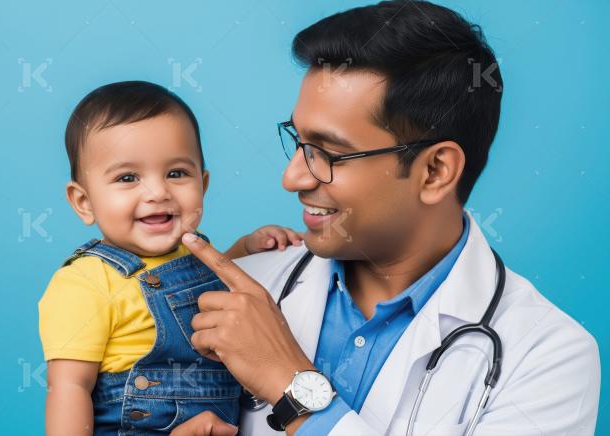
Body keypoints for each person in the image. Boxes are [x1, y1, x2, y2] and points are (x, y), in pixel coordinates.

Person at [169, 1, 600, 435]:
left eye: (329, 153)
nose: (292, 177)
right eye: (298, 142)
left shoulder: (549, 358)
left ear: (435, 171)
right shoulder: (238, 288)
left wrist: (291, 386)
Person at [37, 80, 304, 435]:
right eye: (128, 177)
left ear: (203, 184)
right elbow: (69, 387)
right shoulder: (85, 282)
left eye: (176, 173)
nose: (158, 192)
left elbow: (201, 282)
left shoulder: (195, 251)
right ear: (84, 202)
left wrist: (245, 248)